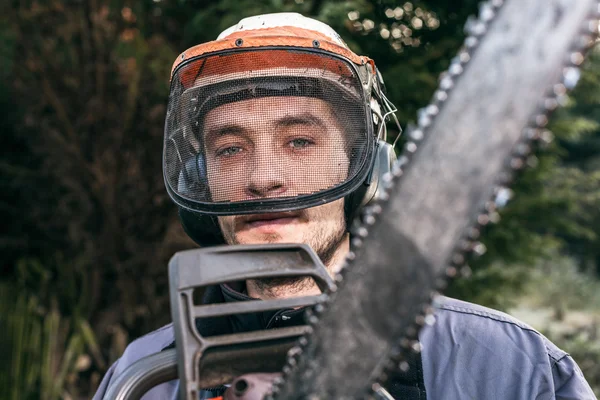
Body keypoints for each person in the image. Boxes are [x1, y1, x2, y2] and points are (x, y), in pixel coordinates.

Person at [93, 12, 595, 400]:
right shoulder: (147, 376)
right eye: (230, 148)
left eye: (300, 142)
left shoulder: (507, 365)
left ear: (364, 167)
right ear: (201, 179)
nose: (264, 178)